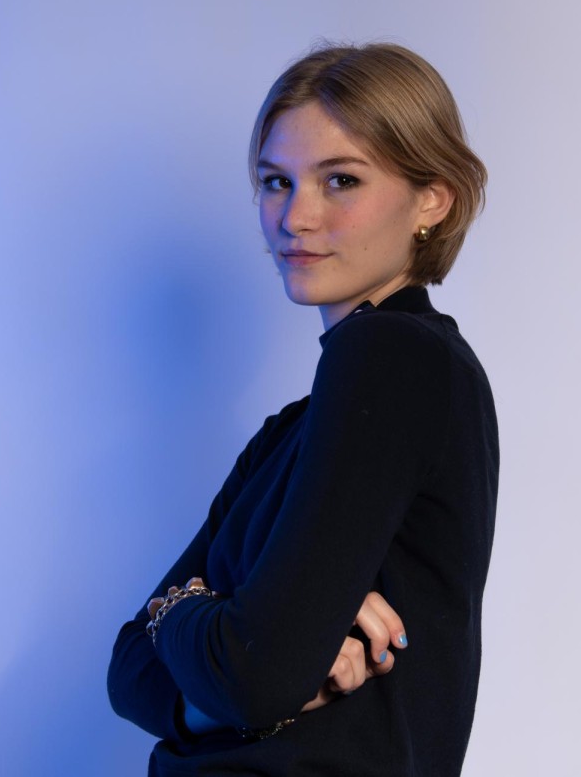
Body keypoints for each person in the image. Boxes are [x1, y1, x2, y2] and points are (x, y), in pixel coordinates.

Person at [108, 42, 498, 776]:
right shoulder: (288, 433)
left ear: (431, 198)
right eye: (275, 182)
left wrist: (180, 612)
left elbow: (254, 677)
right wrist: (227, 652)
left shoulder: (393, 353)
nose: (296, 217)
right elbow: (128, 673)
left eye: (340, 180)